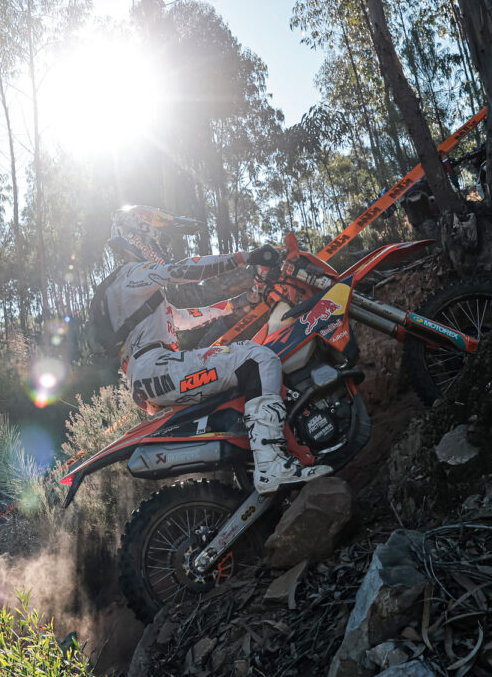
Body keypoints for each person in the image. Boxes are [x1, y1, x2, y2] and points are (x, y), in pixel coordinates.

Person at [98, 205, 333, 494]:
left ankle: (262, 458)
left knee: (243, 368)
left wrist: (239, 302)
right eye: (158, 238)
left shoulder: (131, 289)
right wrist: (246, 257)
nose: (161, 245)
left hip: (151, 375)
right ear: (139, 236)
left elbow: (185, 318)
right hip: (158, 368)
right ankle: (271, 464)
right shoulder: (133, 274)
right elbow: (185, 270)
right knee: (258, 358)